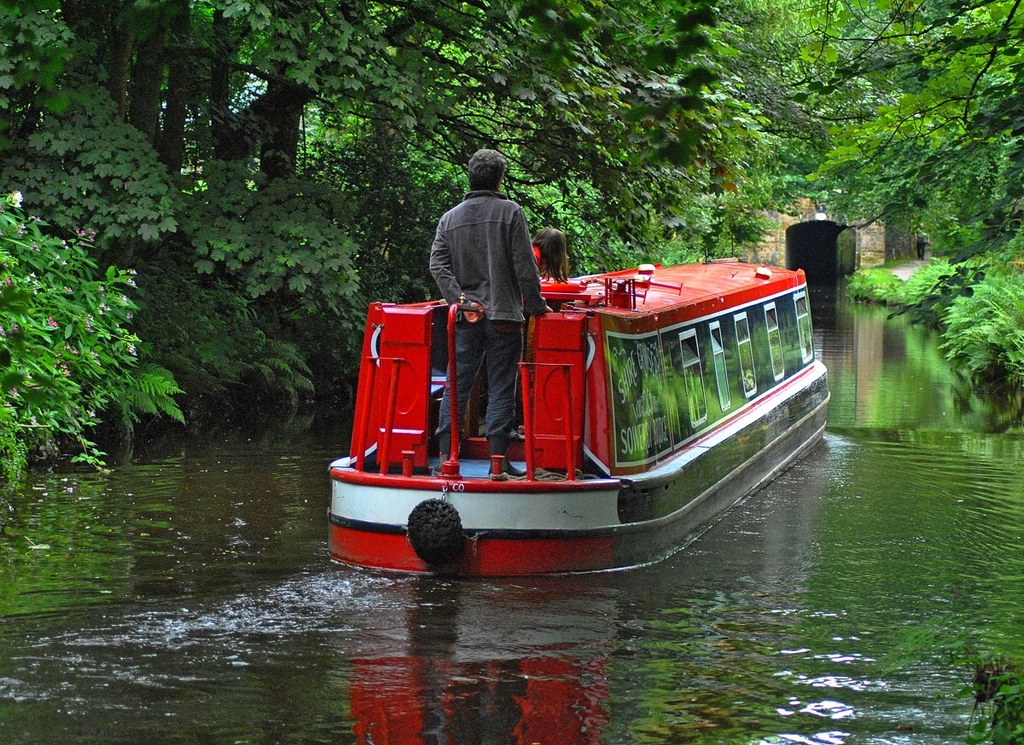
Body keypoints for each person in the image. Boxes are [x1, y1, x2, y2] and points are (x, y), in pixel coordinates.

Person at [429, 148, 549, 475]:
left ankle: (445, 459)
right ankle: (498, 463)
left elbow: (437, 265)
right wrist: (537, 306)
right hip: (505, 316)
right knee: (501, 385)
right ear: (499, 179)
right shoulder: (510, 213)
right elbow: (526, 267)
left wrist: (462, 301)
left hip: (466, 318)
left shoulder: (449, 218)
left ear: (470, 175)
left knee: (457, 383)